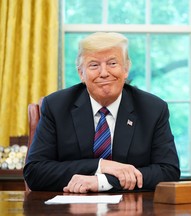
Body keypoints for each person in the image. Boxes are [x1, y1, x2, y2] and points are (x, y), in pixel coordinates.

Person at [23, 32, 180, 193]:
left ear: (126, 69)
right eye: (94, 65)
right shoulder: (56, 107)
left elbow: (168, 172)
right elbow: (35, 172)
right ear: (81, 73)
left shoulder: (152, 109)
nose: (104, 72)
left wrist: (103, 181)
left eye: (112, 63)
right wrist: (101, 165)